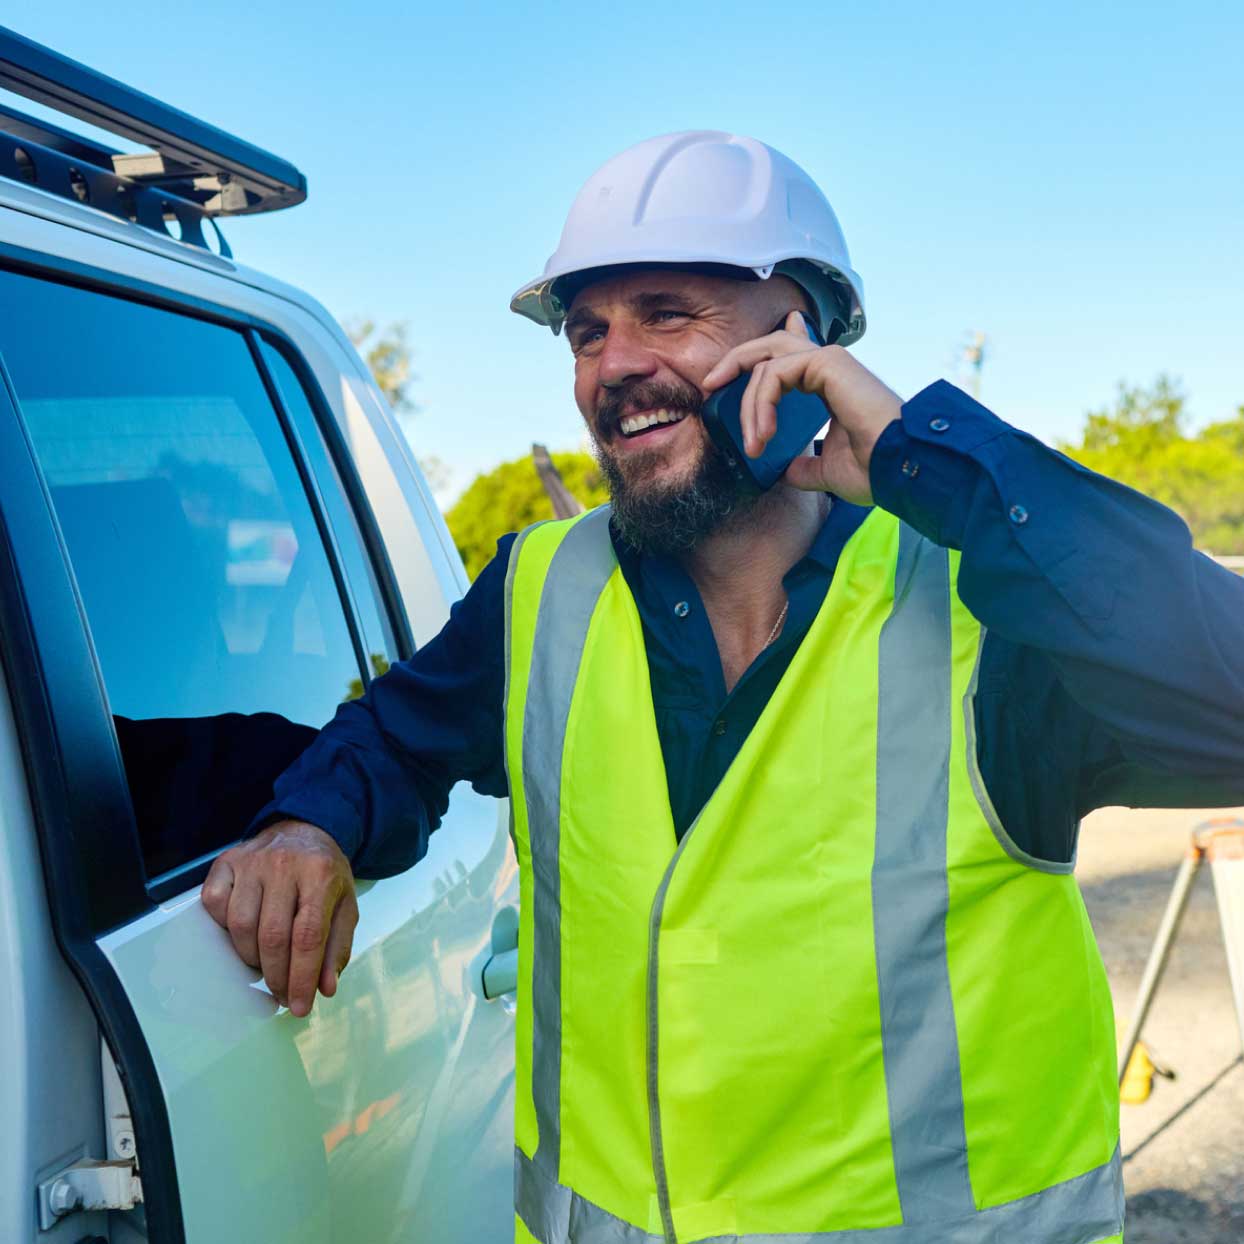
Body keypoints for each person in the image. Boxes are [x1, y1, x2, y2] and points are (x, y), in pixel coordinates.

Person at [202, 131, 1244, 1243]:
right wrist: (309, 821)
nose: (611, 365)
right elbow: (395, 740)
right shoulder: (542, 590)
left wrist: (915, 454)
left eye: (665, 312)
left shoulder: (981, 607)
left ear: (798, 337)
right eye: (587, 331)